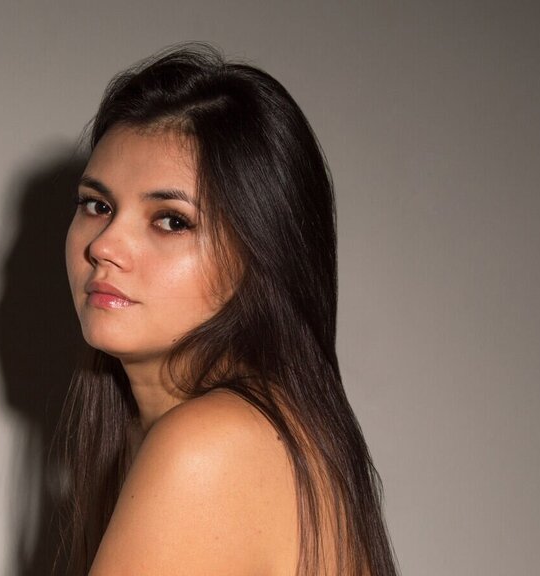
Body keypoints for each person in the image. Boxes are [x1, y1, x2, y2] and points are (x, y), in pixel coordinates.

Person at [56, 44, 398, 576]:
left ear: (259, 254)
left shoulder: (210, 444)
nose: (103, 246)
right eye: (97, 206)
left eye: (171, 221)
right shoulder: (250, 429)